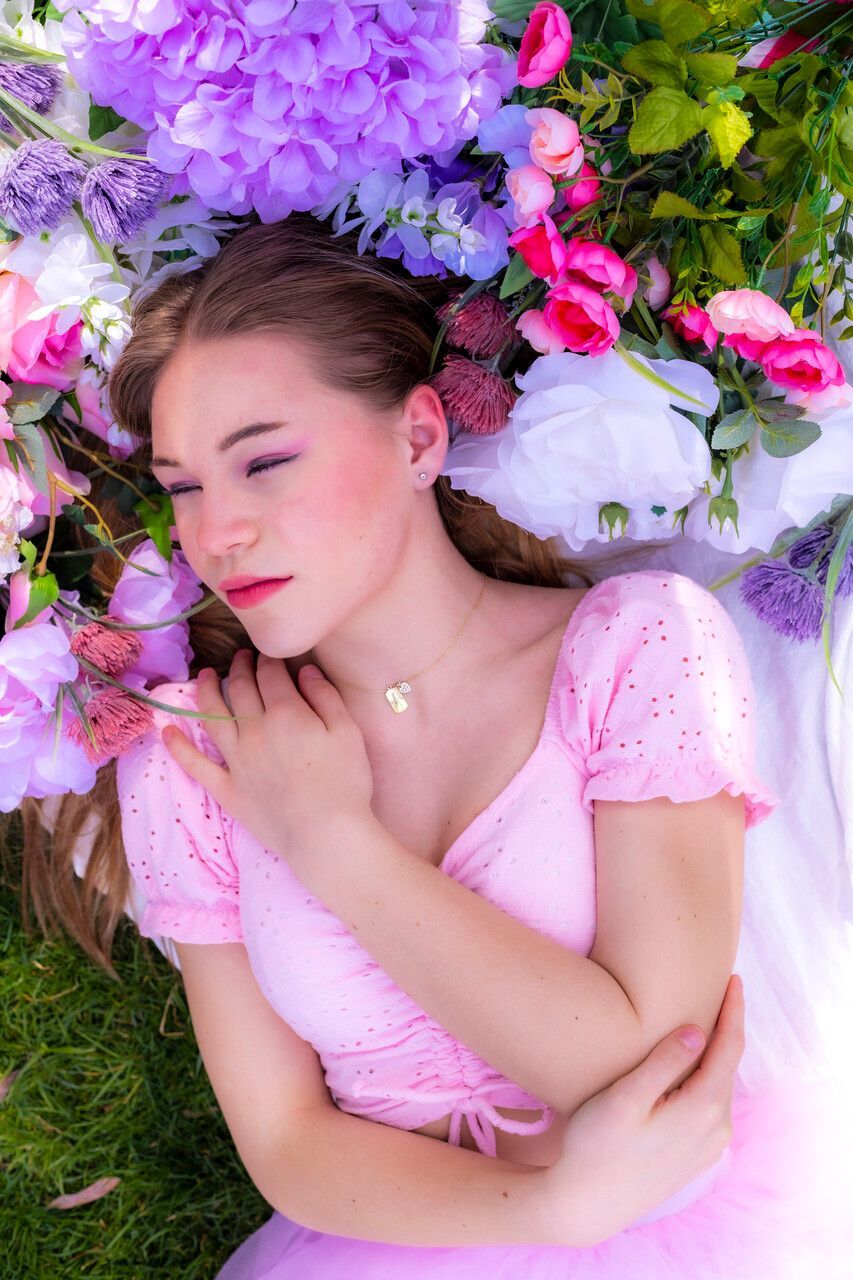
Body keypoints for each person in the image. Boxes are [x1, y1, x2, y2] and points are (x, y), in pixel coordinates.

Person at [30, 216, 851, 1276]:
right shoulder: (194, 752)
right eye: (185, 485)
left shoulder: (637, 643)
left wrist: (333, 842)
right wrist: (548, 1207)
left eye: (264, 460)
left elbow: (647, 1069)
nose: (216, 531)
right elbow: (284, 1140)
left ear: (419, 438)